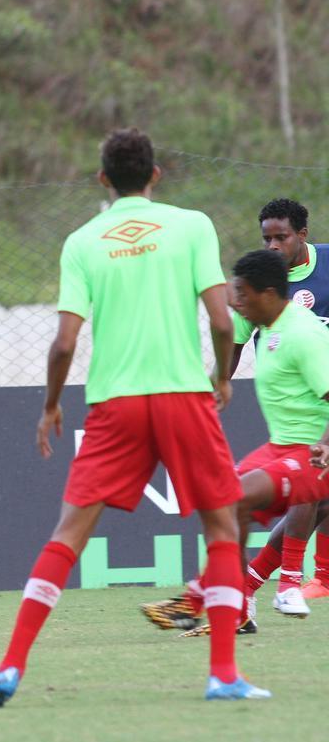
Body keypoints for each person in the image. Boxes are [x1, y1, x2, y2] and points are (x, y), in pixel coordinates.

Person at [0, 128, 270, 705]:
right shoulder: (191, 226)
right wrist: (222, 378)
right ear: (155, 174)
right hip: (184, 397)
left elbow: (62, 345)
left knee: (68, 535)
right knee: (221, 531)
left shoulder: (82, 241)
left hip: (115, 405)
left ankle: (9, 667)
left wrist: (52, 404)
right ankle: (224, 675)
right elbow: (224, 322)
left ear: (103, 179)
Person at [141, 250, 329, 636]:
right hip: (284, 447)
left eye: (243, 295)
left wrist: (324, 445)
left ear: (269, 293)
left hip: (315, 455)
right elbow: (225, 344)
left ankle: (207, 600)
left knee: (233, 500)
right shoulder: (272, 326)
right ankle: (236, 605)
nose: (236, 302)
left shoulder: (304, 334)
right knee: (221, 499)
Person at [228, 199, 329, 609]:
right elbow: (230, 350)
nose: (272, 245)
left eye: (280, 237)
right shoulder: (260, 284)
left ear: (302, 236)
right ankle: (265, 585)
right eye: (266, 237)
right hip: (303, 409)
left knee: (312, 489)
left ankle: (281, 584)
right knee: (316, 496)